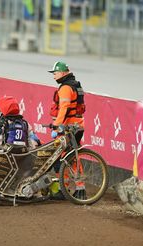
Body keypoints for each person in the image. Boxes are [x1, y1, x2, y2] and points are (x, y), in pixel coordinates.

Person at [48, 61, 86, 200]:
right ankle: (76, 188)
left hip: (69, 127)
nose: (54, 76)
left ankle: (68, 189)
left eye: (55, 73)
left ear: (63, 73)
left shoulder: (65, 88)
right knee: (70, 157)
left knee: (63, 156)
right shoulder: (76, 85)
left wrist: (57, 125)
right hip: (78, 125)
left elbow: (64, 107)